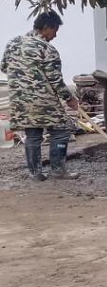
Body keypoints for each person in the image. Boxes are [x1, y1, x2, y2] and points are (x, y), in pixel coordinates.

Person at [1, 11, 81, 181]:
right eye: (55, 31)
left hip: (19, 101)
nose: (55, 35)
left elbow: (3, 67)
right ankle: (58, 170)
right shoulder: (47, 49)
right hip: (43, 101)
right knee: (61, 130)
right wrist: (70, 98)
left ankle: (35, 173)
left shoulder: (13, 43)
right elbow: (55, 80)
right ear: (46, 28)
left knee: (32, 135)